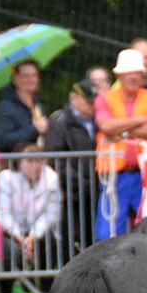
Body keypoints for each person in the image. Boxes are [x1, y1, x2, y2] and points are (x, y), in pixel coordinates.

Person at [94, 49, 147, 238]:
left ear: (144, 75)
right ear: (119, 75)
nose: (133, 77)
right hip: (116, 178)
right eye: (129, 73)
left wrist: (123, 131)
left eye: (137, 73)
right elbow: (105, 125)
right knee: (108, 233)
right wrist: (141, 119)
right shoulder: (105, 98)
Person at [41, 78, 98, 258]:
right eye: (87, 101)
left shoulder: (99, 121)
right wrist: (79, 181)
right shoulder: (59, 120)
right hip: (70, 194)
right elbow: (55, 157)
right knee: (70, 238)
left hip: (95, 191)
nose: (91, 106)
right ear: (74, 98)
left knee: (93, 237)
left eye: (93, 101)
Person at [0, 143, 62, 273]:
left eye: (38, 161)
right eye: (29, 161)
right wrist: (19, 237)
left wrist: (33, 236)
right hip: (12, 229)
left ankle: (44, 288)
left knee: (49, 241)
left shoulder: (51, 179)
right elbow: (4, 213)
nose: (34, 166)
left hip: (38, 228)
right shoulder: (6, 178)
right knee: (8, 245)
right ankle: (7, 290)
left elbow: (51, 214)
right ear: (19, 162)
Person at [0, 60, 48, 153]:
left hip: (40, 162)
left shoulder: (39, 106)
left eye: (34, 75)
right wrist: (34, 129)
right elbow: (1, 141)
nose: (31, 79)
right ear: (16, 79)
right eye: (26, 76)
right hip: (15, 164)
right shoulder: (5, 107)